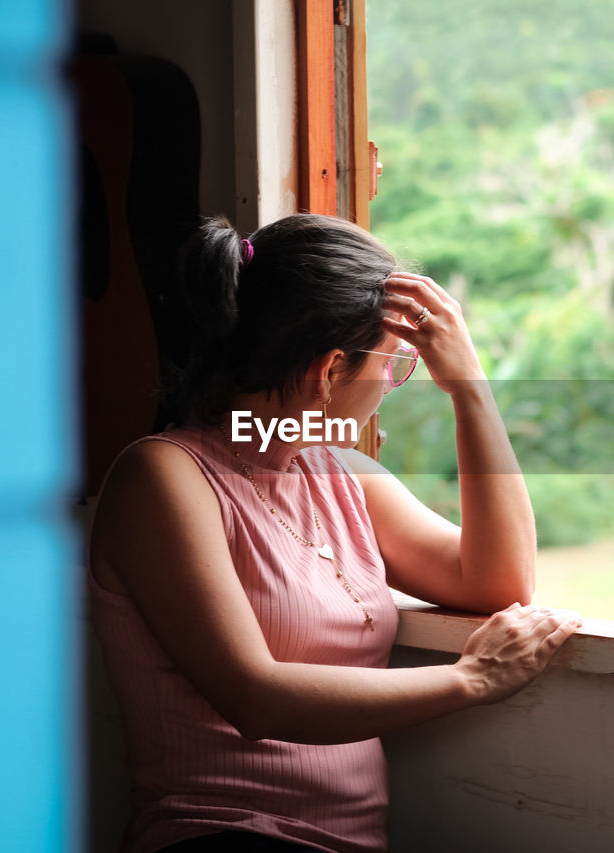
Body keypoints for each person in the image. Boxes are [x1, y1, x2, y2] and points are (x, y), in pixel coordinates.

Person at [87, 214, 580, 853]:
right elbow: (255, 698)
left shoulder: (338, 472)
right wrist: (473, 679)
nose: (392, 384)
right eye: (394, 366)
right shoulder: (164, 477)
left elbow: (497, 582)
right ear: (329, 372)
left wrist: (470, 391)